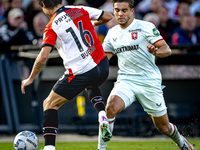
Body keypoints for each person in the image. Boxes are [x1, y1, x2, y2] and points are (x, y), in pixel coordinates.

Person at [97, 0, 197, 150]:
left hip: (149, 82)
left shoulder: (145, 27)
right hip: (126, 80)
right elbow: (104, 58)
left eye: (124, 10)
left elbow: (167, 49)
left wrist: (156, 51)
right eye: (117, 10)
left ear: (132, 11)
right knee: (110, 109)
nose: (120, 14)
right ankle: (101, 148)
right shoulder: (112, 33)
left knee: (164, 128)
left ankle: (182, 143)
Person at [20, 0, 113, 150]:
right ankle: (102, 114)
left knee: (49, 104)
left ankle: (49, 147)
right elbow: (108, 16)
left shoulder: (51, 26)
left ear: (43, 5)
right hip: (102, 65)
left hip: (82, 71)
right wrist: (92, 24)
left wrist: (30, 78)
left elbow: (43, 57)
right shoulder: (78, 9)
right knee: (91, 83)